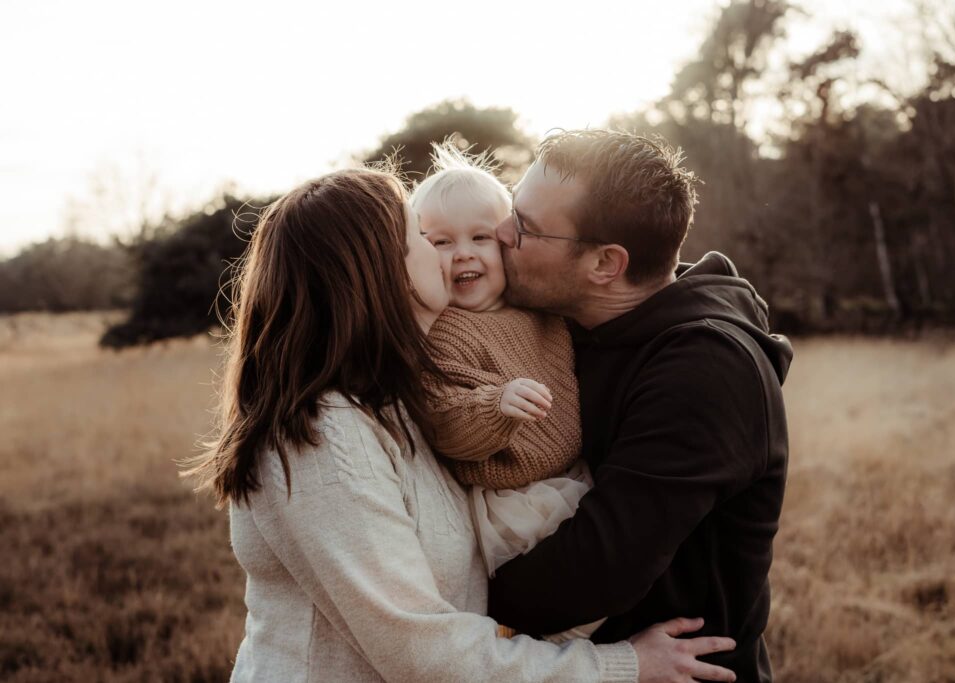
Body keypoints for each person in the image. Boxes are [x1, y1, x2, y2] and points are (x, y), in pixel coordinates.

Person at [183, 164, 740, 682]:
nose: (451, 251)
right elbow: (419, 647)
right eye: (422, 238)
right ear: (384, 276)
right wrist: (622, 666)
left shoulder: (406, 399)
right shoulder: (325, 434)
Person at [486, 130, 793, 683]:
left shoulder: (707, 368)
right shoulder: (570, 326)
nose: (502, 232)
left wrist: (429, 604)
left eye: (526, 227)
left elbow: (600, 566)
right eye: (513, 208)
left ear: (605, 263)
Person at [410, 142, 602, 642]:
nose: (464, 254)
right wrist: (495, 405)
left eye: (480, 237)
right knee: (561, 628)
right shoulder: (446, 331)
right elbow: (443, 418)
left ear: (508, 243)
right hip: (514, 503)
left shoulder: (541, 312)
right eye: (441, 243)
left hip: (575, 476)